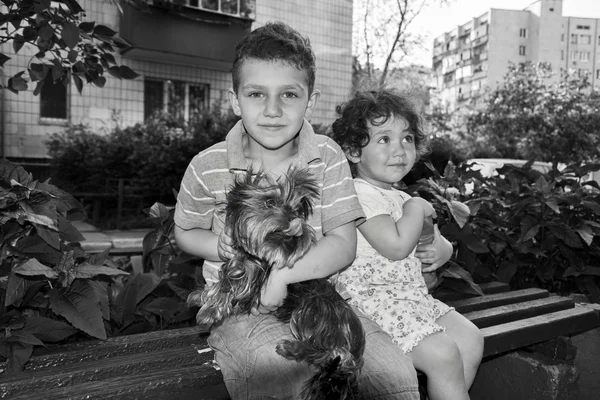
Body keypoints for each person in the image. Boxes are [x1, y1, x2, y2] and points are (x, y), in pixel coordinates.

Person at [173, 22, 420, 399]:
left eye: (289, 94)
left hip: (322, 304)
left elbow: (342, 244)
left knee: (395, 379)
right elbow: (185, 232)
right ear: (235, 99)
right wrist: (221, 247)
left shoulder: (327, 156)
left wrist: (282, 277)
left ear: (311, 100)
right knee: (286, 378)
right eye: (257, 94)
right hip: (244, 307)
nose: (273, 110)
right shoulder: (207, 165)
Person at [330, 89, 484, 400]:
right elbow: (395, 246)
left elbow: (435, 243)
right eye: (384, 139)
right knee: (443, 355)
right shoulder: (358, 194)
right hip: (371, 303)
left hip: (411, 299)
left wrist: (442, 251)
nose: (400, 149)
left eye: (407, 138)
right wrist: (416, 207)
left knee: (471, 338)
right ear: (353, 150)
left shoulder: (400, 196)